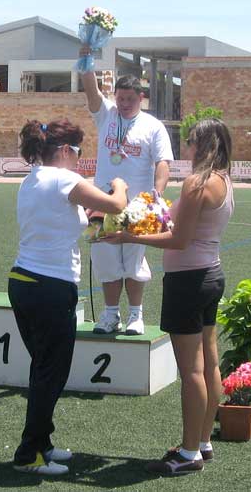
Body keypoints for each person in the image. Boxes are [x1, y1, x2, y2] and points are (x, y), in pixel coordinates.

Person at [104, 118, 234, 475]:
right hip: (210, 275)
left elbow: (179, 240)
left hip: (189, 281)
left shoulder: (198, 182)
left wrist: (129, 238)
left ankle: (189, 452)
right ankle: (202, 442)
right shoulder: (223, 180)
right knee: (209, 363)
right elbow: (177, 226)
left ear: (201, 145)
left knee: (192, 371)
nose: (185, 149)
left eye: (189, 142)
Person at [9, 119, 128, 475]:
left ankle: (42, 443)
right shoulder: (64, 178)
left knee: (42, 367)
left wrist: (92, 217)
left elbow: (71, 219)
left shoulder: (32, 179)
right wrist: (119, 184)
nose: (79, 160)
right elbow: (116, 204)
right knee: (51, 373)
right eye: (77, 153)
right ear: (63, 151)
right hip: (50, 286)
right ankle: (28, 454)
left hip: (24, 281)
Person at [80, 50, 173, 335]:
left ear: (140, 98)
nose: (123, 104)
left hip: (137, 207)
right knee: (107, 261)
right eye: (119, 98)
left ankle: (135, 315)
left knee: (133, 262)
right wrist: (86, 59)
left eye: (130, 99)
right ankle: (110, 316)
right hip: (103, 202)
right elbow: (90, 87)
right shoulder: (106, 114)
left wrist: (155, 196)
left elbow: (163, 164)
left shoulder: (153, 126)